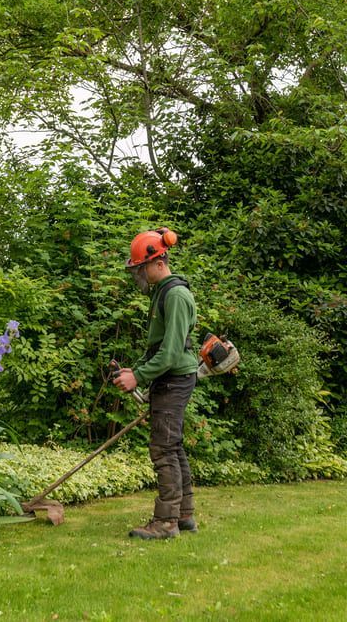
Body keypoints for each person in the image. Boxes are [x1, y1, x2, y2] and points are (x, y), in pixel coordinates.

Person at [113, 228, 199, 540]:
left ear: (158, 262)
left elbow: (172, 352)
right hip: (170, 378)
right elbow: (160, 347)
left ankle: (165, 524)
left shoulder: (175, 295)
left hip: (174, 379)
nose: (138, 274)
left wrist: (138, 376)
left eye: (140, 268)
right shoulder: (163, 292)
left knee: (163, 449)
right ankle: (184, 515)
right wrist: (134, 371)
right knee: (172, 447)